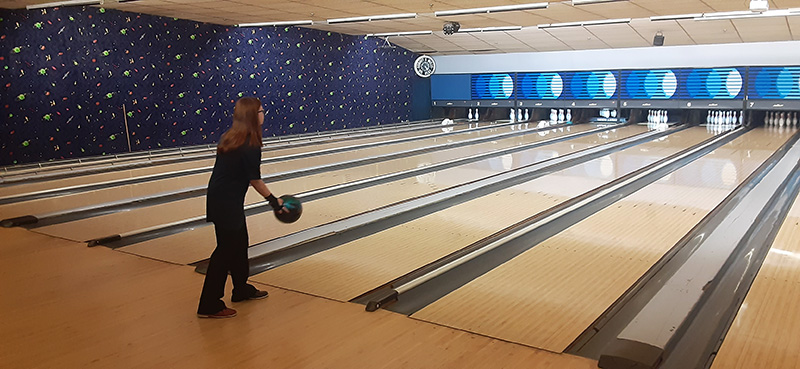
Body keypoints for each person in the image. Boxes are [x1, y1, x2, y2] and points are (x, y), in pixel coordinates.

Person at [197, 97, 284, 319]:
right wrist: (275, 202)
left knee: (239, 245)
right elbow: (255, 181)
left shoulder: (233, 137)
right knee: (225, 252)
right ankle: (209, 303)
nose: (265, 114)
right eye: (262, 111)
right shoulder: (249, 145)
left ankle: (241, 289)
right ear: (253, 116)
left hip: (223, 199)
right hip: (226, 203)